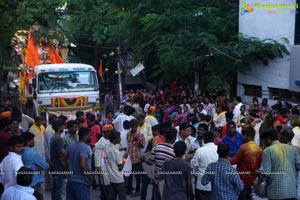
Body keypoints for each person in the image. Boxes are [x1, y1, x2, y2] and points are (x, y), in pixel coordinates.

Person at [259, 128, 300, 200]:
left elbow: (265, 173)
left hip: (275, 194)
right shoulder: (291, 149)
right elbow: (298, 166)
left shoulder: (268, 151)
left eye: (263, 141)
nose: (263, 144)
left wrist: (258, 175)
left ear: (268, 139)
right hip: (291, 192)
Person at [228, 127, 262, 200]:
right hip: (253, 179)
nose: (242, 137)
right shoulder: (259, 148)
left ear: (248, 136)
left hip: (243, 179)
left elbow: (234, 160)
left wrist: (224, 156)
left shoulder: (244, 147)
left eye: (243, 135)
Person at [65, 127, 93, 200]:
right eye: (90, 135)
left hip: (71, 180)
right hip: (82, 182)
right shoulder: (86, 148)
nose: (91, 137)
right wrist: (90, 178)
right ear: (85, 136)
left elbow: (63, 158)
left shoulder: (71, 146)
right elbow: (83, 164)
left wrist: (67, 169)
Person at [21, 132, 49, 200]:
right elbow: (45, 166)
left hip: (24, 181)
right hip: (34, 181)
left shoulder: (21, 151)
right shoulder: (32, 153)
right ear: (28, 142)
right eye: (32, 140)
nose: (34, 141)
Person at [191, 131, 218, 200]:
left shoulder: (200, 151)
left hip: (202, 185)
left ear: (204, 140)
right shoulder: (218, 149)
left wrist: (197, 174)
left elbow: (193, 166)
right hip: (216, 184)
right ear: (213, 139)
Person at [104, 130, 128, 200]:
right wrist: (124, 158)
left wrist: (122, 149)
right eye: (119, 138)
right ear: (114, 140)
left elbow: (113, 151)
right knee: (122, 197)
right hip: (118, 178)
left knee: (112, 196)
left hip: (111, 176)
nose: (120, 139)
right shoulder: (116, 152)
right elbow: (120, 167)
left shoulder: (107, 146)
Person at [94, 124, 114, 200]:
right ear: (105, 133)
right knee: (105, 188)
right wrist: (98, 169)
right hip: (103, 168)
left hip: (110, 167)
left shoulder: (110, 140)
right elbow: (97, 157)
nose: (111, 133)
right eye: (110, 132)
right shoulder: (101, 142)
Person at [49, 119, 67, 200]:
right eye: (63, 126)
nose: (64, 127)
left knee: (55, 189)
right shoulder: (58, 139)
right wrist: (65, 168)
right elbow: (61, 156)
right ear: (60, 127)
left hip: (54, 166)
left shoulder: (53, 137)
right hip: (58, 167)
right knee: (59, 190)